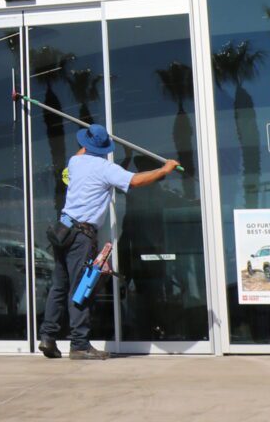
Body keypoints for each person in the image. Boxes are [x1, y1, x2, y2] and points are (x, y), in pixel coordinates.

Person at [38, 123, 176, 360]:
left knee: (59, 286)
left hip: (64, 231)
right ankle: (79, 345)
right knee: (81, 288)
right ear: (103, 148)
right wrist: (164, 169)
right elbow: (135, 181)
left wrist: (92, 140)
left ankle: (48, 337)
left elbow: (84, 151)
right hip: (81, 236)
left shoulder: (75, 161)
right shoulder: (105, 169)